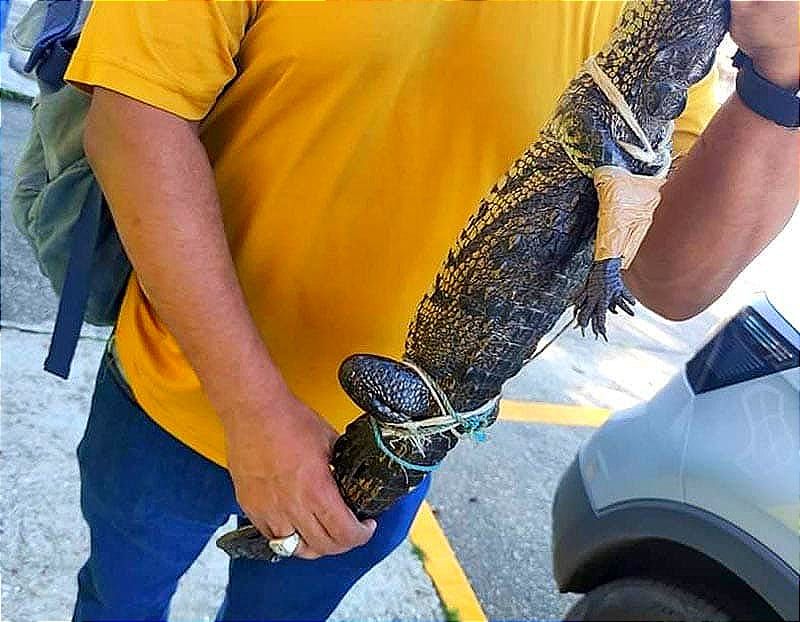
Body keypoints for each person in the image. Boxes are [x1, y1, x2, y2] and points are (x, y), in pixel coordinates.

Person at [62, 1, 798, 620]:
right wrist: (253, 410)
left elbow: (670, 277)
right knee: (117, 600)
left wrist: (782, 76)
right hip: (176, 394)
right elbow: (133, 116)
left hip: (397, 445)